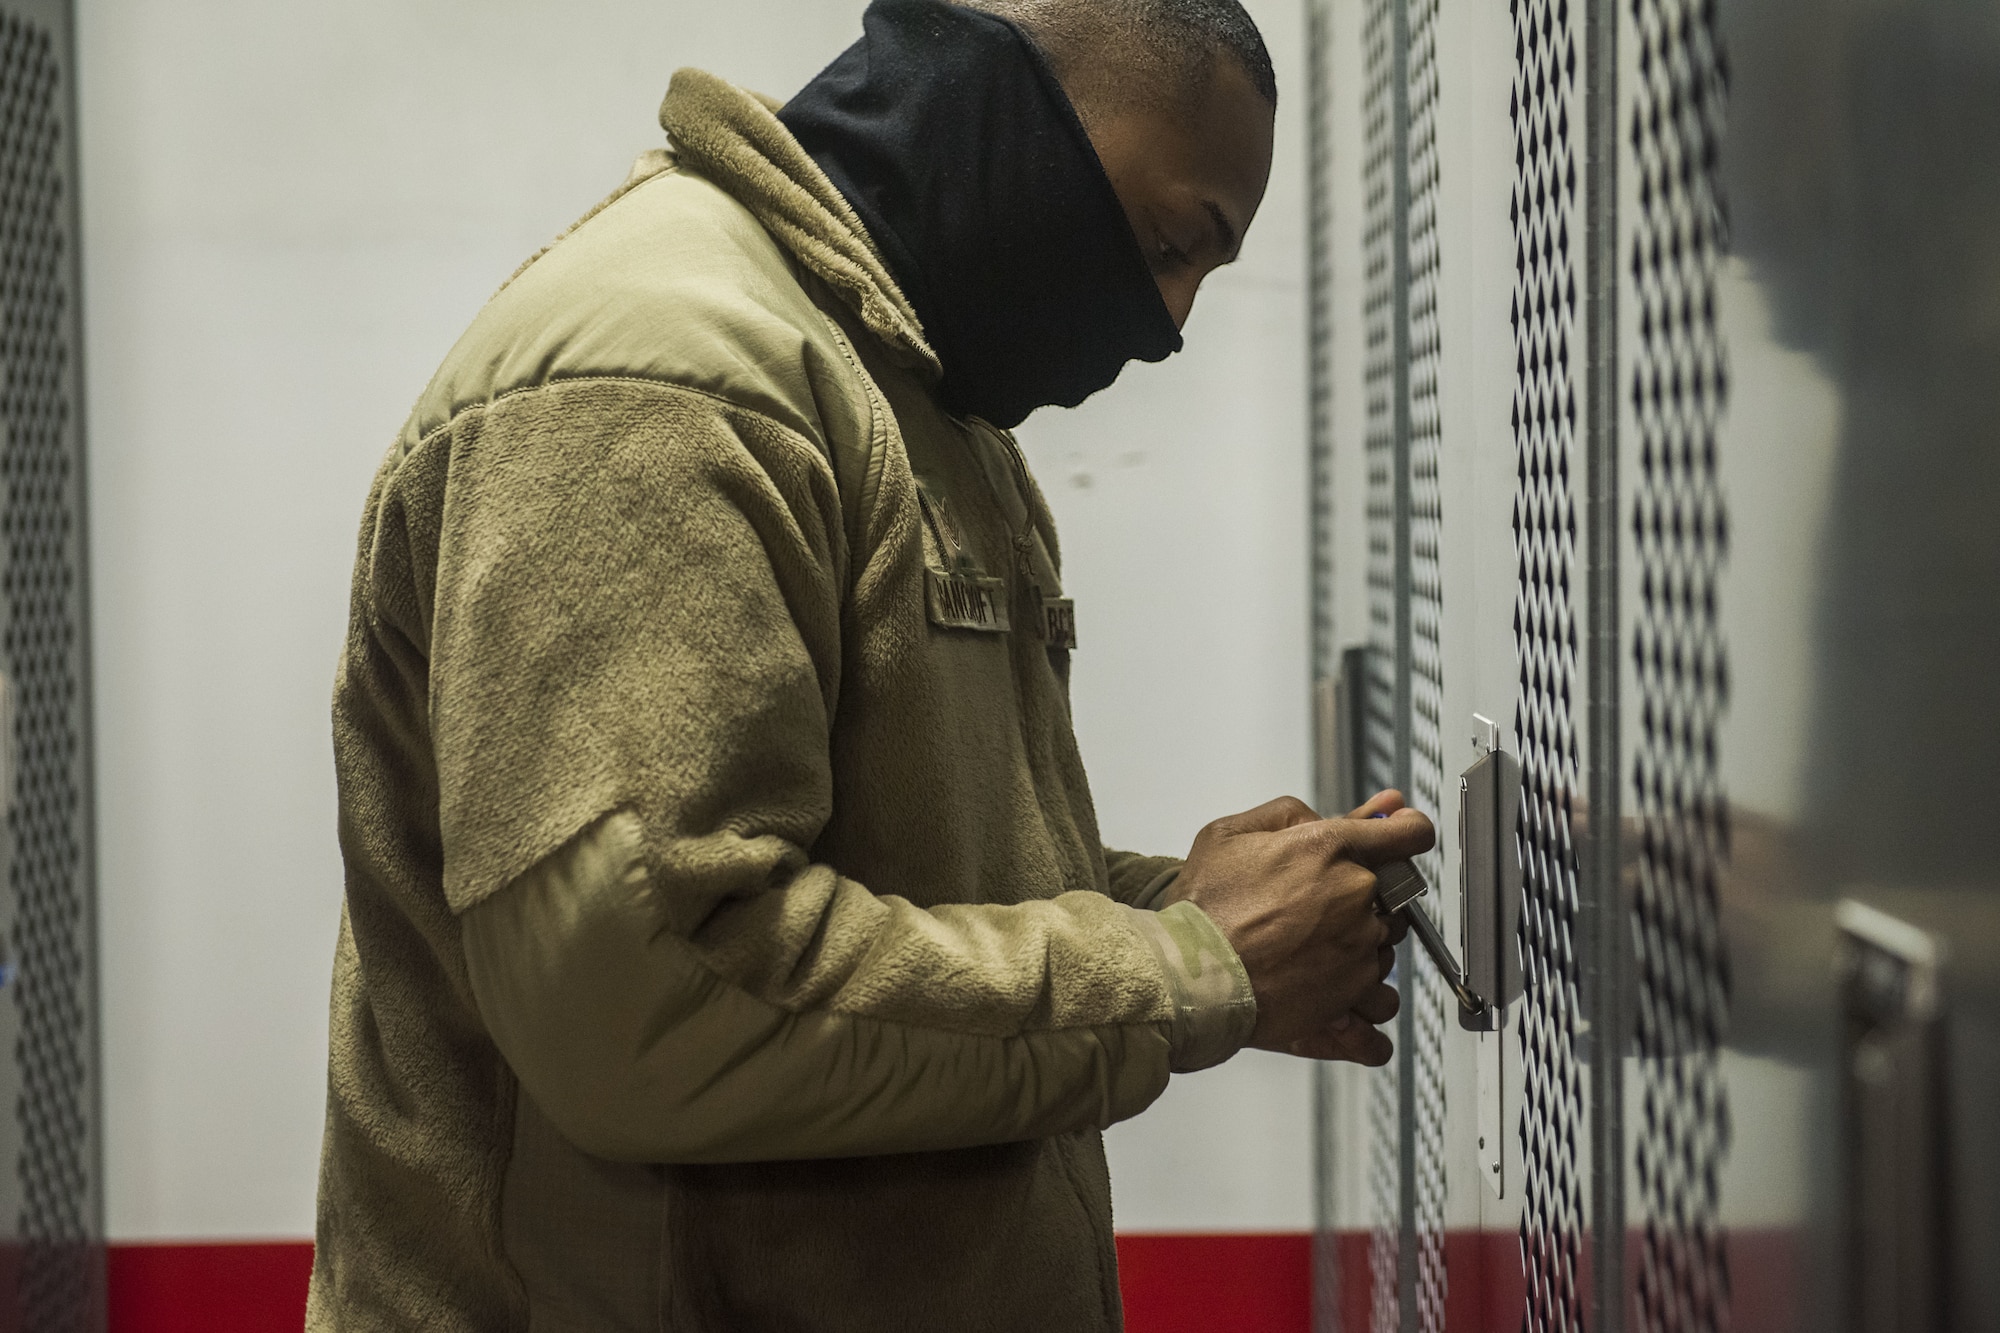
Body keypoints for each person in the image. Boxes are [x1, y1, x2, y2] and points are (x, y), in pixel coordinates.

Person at [306, 0, 1433, 1328]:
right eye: (1172, 242)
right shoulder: (667, 379)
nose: (1168, 318)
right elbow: (659, 993)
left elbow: (893, 879)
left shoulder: (915, 405)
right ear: (1009, 107)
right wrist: (1181, 965)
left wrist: (1191, 902)